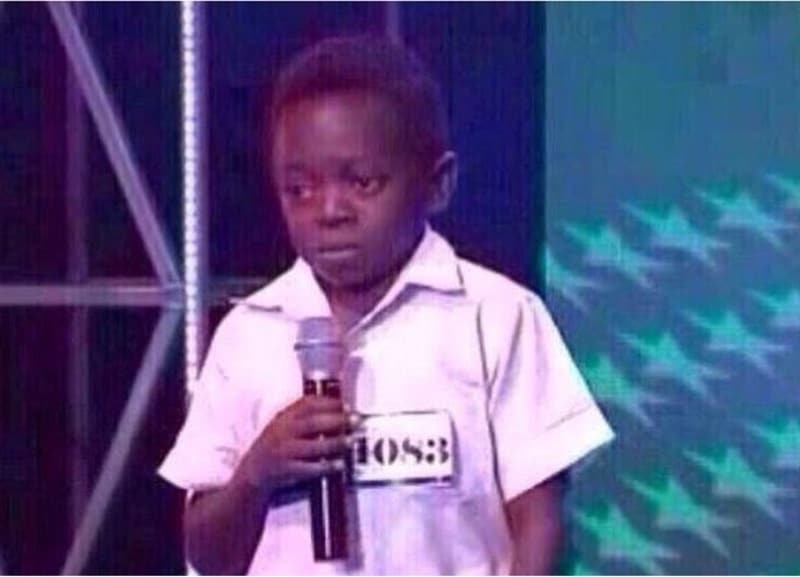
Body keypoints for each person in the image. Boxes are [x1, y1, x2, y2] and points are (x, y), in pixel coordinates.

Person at [159, 35, 614, 575]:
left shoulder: (495, 316)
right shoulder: (249, 332)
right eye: (299, 189)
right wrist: (257, 472)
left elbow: (539, 521)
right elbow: (208, 556)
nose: (329, 210)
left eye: (361, 183)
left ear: (437, 184)